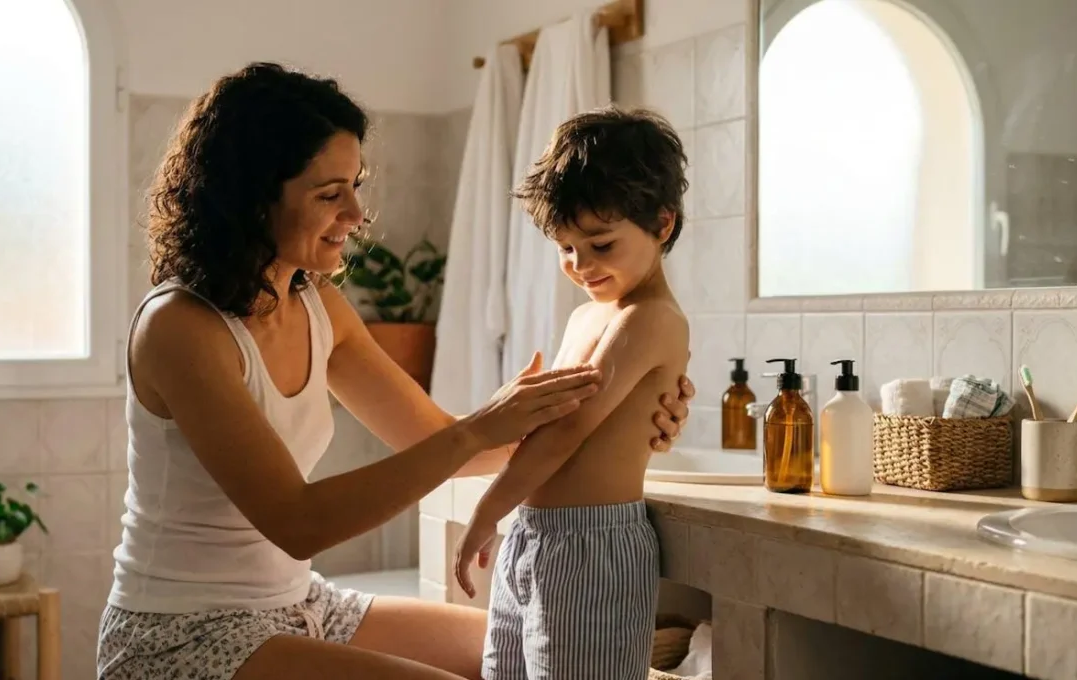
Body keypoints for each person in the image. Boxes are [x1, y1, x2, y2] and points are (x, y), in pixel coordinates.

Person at [95, 63, 697, 680]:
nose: (357, 212)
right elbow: (298, 523)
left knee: (523, 661)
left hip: (301, 605)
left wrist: (624, 411)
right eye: (330, 193)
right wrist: (478, 430)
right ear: (253, 197)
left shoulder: (315, 305)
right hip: (183, 634)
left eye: (355, 184)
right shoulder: (181, 328)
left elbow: (449, 445)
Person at [453, 107, 692, 680]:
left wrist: (487, 510)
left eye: (601, 245)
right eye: (565, 248)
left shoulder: (654, 319)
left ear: (662, 223)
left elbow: (569, 430)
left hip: (593, 549)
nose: (580, 266)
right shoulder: (588, 317)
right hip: (533, 537)